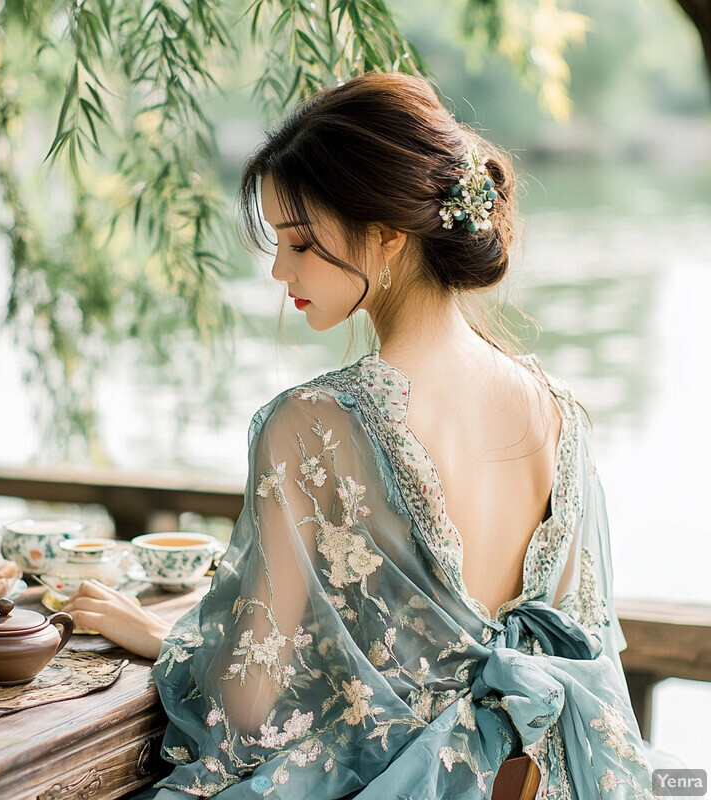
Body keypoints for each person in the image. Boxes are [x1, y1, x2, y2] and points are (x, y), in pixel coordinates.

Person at [64, 72, 660, 798]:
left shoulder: (313, 424)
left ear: (385, 238)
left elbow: (251, 706)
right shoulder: (558, 413)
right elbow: (581, 639)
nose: (280, 269)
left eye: (302, 243)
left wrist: (175, 645)